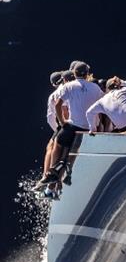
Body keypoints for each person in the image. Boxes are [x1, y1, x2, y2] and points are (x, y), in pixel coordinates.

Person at [36, 61, 104, 189]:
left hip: (73, 126)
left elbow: (58, 106)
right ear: (87, 74)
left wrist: (62, 123)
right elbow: (104, 105)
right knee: (70, 151)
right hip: (88, 128)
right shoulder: (96, 88)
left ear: (74, 73)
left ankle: (52, 174)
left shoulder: (69, 87)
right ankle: (63, 174)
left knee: (57, 142)